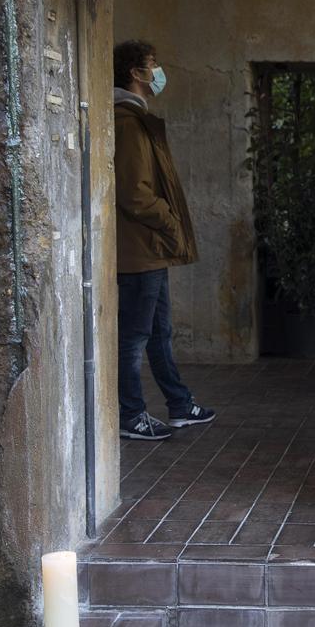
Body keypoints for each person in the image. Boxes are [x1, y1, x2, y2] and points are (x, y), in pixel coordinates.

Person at [112, 40, 215, 441]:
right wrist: (170, 223)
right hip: (140, 249)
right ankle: (131, 414)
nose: (159, 72)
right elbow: (134, 193)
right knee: (135, 338)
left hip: (149, 249)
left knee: (158, 332)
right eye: (153, 65)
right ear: (136, 74)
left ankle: (178, 404)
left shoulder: (136, 119)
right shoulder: (127, 123)